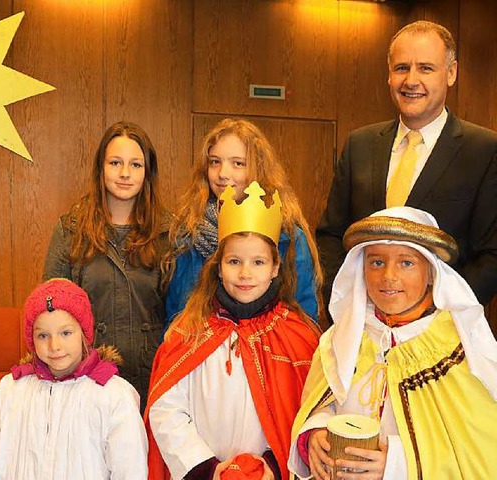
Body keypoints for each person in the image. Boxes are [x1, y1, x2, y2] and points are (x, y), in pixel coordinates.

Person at [288, 207, 497, 479]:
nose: (388, 276)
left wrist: (396, 464)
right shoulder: (341, 339)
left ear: (431, 273)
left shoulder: (460, 350)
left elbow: (474, 453)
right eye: (376, 262)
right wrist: (314, 432)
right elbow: (323, 403)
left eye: (406, 263)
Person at [317, 20, 497, 309]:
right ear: (389, 75)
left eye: (426, 68)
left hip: (444, 330)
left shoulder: (485, 150)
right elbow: (331, 235)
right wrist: (351, 304)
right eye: (401, 68)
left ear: (451, 73)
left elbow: (492, 255)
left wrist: (436, 314)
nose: (411, 80)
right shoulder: (359, 145)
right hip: (363, 325)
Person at [147, 182, 320, 479]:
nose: (245, 274)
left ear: (275, 267)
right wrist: (206, 468)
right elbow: (166, 409)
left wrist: (274, 464)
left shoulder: (299, 337)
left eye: (258, 262)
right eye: (234, 261)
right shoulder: (188, 332)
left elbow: (308, 414)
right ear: (218, 266)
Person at [0, 278, 148, 479]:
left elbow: (130, 470)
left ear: (84, 333)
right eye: (43, 336)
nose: (54, 345)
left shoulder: (113, 395)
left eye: (65, 333)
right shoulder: (11, 390)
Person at [43, 121, 170, 408]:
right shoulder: (70, 230)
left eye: (136, 165)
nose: (125, 173)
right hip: (87, 379)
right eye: (115, 163)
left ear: (148, 172)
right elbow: (49, 309)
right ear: (100, 168)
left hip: (153, 379)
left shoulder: (169, 233)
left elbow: (182, 314)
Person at [165, 117, 322, 330]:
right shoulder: (190, 233)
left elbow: (304, 321)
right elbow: (176, 315)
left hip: (270, 356)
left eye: (238, 163)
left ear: (258, 169)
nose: (223, 174)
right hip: (201, 354)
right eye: (215, 162)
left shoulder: (287, 237)